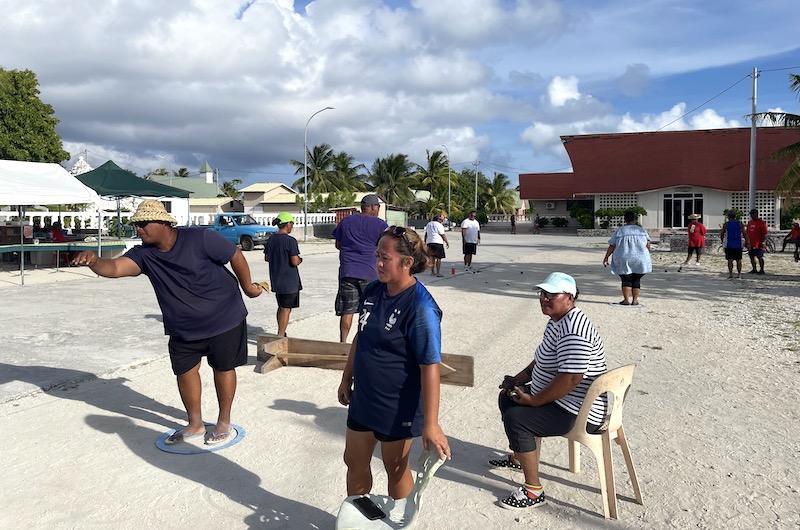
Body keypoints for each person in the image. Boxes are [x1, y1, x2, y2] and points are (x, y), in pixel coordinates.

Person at [71, 200, 262, 445]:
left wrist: (248, 287)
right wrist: (95, 261)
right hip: (182, 326)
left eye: (143, 223)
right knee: (185, 371)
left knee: (223, 368)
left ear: (163, 223)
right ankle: (195, 423)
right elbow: (116, 267)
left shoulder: (200, 238)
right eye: (136, 224)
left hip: (224, 316)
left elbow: (234, 254)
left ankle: (224, 421)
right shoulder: (144, 254)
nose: (138, 229)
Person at [338, 226, 450, 501]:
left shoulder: (421, 307)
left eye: (385, 258)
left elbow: (430, 366)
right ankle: (360, 513)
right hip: (364, 399)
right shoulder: (373, 290)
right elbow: (361, 336)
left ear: (407, 262)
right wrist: (346, 377)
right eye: (377, 255)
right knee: (353, 461)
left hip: (397, 407)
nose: (378, 263)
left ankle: (399, 518)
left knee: (396, 469)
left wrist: (431, 423)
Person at [490, 272, 607, 510]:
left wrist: (534, 401)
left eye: (552, 294)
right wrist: (517, 380)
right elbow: (541, 360)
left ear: (570, 298)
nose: (544, 298)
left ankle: (533, 491)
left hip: (579, 411)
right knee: (508, 397)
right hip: (564, 400)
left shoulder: (574, 330)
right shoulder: (557, 321)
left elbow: (571, 378)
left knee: (517, 419)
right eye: (542, 293)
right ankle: (520, 457)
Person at [331, 194, 388, 342]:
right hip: (370, 273)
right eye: (378, 206)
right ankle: (368, 342)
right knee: (371, 309)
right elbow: (385, 248)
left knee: (347, 310)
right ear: (373, 207)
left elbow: (338, 245)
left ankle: (343, 342)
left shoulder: (346, 221)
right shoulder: (381, 225)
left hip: (347, 271)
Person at [264, 212, 302, 338]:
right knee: (286, 309)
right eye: (292, 224)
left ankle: (281, 331)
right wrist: (300, 260)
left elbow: (267, 258)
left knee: (281, 307)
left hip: (276, 279)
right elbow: (294, 261)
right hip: (289, 281)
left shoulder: (271, 239)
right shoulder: (290, 241)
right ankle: (280, 336)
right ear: (288, 224)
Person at [602, 210, 652, 305]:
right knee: (636, 279)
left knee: (626, 278)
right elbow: (648, 244)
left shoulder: (620, 230)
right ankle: (635, 300)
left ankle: (626, 300)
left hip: (624, 257)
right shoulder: (641, 230)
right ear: (634, 219)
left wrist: (606, 257)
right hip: (640, 257)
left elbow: (612, 245)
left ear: (625, 219)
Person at [720, 211, 746, 279]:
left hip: (729, 244)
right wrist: (747, 241)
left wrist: (722, 241)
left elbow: (722, 233)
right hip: (738, 244)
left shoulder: (726, 224)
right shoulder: (739, 223)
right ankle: (739, 274)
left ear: (728, 217)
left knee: (730, 260)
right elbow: (744, 233)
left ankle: (731, 274)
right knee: (738, 260)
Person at [746, 208, 768, 275]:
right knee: (751, 256)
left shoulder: (761, 223)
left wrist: (763, 242)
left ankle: (762, 269)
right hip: (751, 243)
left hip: (759, 243)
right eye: (751, 214)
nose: (752, 215)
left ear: (756, 214)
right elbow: (747, 233)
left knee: (759, 257)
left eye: (753, 214)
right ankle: (754, 269)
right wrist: (747, 241)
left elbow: (764, 233)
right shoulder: (750, 223)